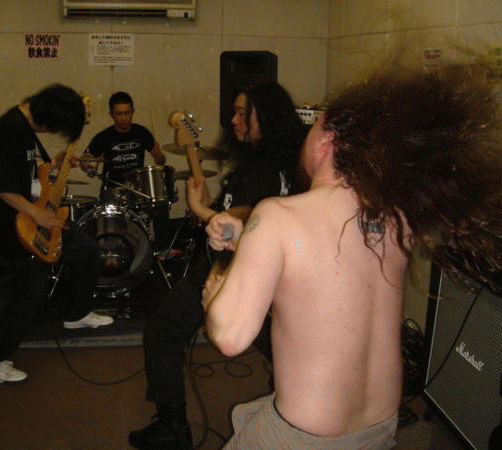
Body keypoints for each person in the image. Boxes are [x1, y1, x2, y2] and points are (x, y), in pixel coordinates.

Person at [202, 54, 502, 449]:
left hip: (303, 439)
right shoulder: (397, 215)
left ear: (327, 139)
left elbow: (230, 337)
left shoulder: (277, 215)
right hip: (379, 429)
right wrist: (252, 242)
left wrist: (218, 287)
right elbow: (330, 267)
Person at [128, 82, 310, 449]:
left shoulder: (261, 169)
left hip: (226, 272)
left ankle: (173, 427)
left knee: (162, 332)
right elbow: (233, 211)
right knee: (282, 349)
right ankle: (303, 407)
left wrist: (199, 209)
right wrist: (192, 156)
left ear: (266, 116)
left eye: (243, 113)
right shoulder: (285, 162)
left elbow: (244, 228)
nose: (234, 120)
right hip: (260, 276)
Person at [0, 84, 113, 384]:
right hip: (11, 224)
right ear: (47, 117)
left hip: (32, 213)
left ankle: (77, 314)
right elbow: (0, 185)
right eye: (56, 127)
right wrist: (37, 214)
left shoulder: (25, 128)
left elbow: (24, 171)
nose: (52, 132)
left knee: (88, 250)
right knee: (32, 288)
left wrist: (58, 162)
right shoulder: (10, 128)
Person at [81, 91, 168, 250]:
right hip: (113, 188)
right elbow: (87, 159)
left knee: (160, 204)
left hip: (138, 189)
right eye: (119, 114)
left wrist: (160, 157)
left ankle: (160, 249)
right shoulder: (104, 136)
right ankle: (112, 251)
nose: (124, 118)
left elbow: (159, 158)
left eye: (127, 113)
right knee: (113, 229)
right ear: (111, 115)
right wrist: (88, 166)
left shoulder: (141, 132)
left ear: (133, 112)